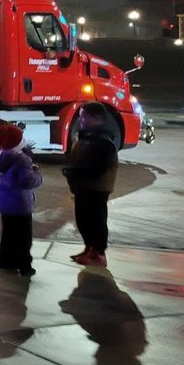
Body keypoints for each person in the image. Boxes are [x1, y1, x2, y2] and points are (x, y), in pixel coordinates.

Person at [62, 102, 119, 267]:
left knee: (95, 220)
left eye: (83, 116)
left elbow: (98, 167)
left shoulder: (103, 140)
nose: (80, 120)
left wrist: (76, 172)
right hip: (83, 186)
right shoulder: (86, 136)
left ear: (96, 118)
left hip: (95, 188)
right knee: (84, 220)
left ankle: (99, 254)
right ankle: (89, 250)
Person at [0, 123, 42, 277]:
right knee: (23, 237)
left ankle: (5, 260)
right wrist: (38, 175)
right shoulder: (22, 160)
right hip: (20, 205)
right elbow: (27, 181)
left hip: (5, 202)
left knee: (7, 233)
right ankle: (24, 265)